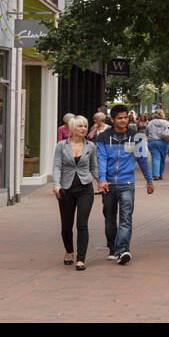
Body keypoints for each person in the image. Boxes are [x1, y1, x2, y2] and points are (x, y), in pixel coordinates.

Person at [95, 104, 154, 266]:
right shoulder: (103, 138)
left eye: (125, 117)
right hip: (109, 184)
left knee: (126, 217)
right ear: (112, 119)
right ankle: (112, 248)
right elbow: (101, 159)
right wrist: (101, 179)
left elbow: (142, 160)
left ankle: (123, 250)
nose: (123, 121)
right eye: (119, 118)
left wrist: (149, 180)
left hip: (127, 183)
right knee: (109, 218)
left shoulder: (137, 137)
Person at [53, 115, 99, 270]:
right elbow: (57, 166)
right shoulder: (61, 145)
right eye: (80, 126)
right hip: (66, 189)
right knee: (66, 225)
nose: (84, 129)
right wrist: (57, 184)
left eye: (85, 126)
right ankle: (69, 251)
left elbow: (94, 167)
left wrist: (101, 180)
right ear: (73, 128)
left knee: (82, 224)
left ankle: (81, 259)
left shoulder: (91, 146)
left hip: (85, 189)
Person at [146, 109, 169, 180]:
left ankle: (156, 174)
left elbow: (146, 132)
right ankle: (160, 174)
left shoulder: (150, 123)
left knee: (155, 158)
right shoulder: (166, 123)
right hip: (164, 142)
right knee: (162, 158)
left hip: (153, 142)